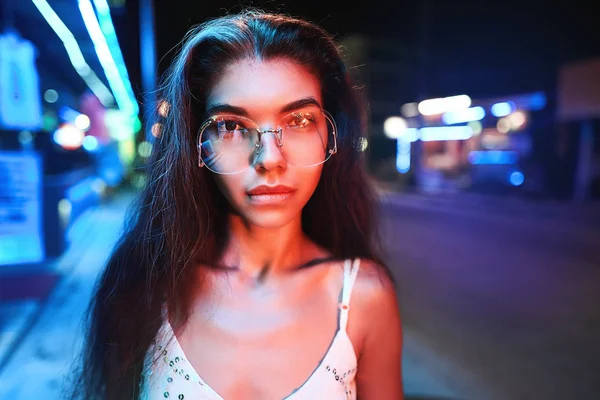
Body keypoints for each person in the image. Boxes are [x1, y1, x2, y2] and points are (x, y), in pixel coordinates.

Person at [69, 8, 403, 400]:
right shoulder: (146, 286)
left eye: (298, 120)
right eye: (231, 126)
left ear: (329, 134)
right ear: (196, 144)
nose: (269, 158)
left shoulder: (364, 296)